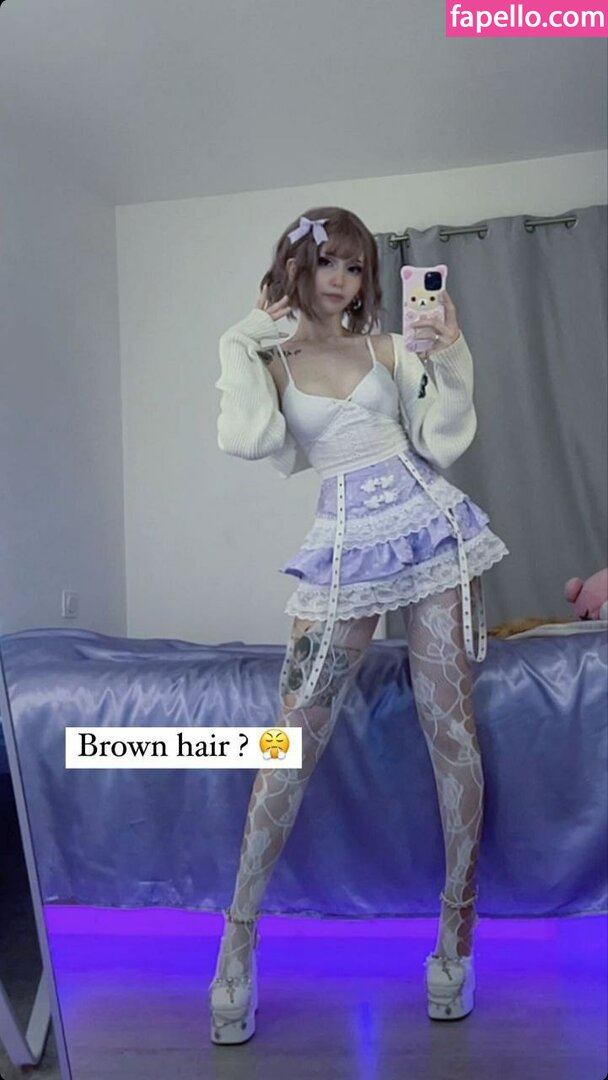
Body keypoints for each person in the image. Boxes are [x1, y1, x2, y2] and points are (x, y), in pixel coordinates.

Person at [209, 207, 509, 1044]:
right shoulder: (272, 359)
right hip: (341, 550)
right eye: (325, 262)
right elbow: (248, 437)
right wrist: (240, 338)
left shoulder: (388, 348)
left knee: (449, 726)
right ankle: (238, 938)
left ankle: (456, 929)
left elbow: (440, 440)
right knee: (291, 740)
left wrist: (447, 352)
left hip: (430, 531)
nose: (340, 279)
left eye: (353, 266)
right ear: (295, 268)